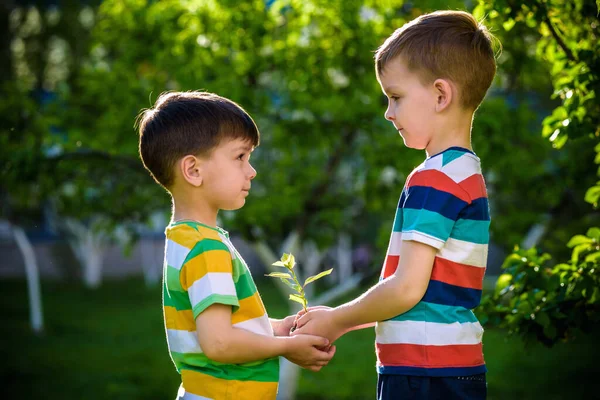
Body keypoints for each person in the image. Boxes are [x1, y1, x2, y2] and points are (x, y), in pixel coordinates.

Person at [294, 10, 497, 400]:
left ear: (441, 95)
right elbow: (418, 294)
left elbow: (406, 289)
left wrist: (336, 320)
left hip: (423, 372)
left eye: (395, 97)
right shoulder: (466, 173)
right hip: (451, 368)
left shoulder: (435, 177)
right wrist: (346, 321)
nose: (388, 112)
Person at [136, 91, 336, 400]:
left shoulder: (184, 238)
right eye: (240, 157)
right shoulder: (207, 248)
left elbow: (220, 326)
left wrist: (277, 328)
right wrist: (287, 348)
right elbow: (219, 343)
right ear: (193, 170)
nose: (251, 170)